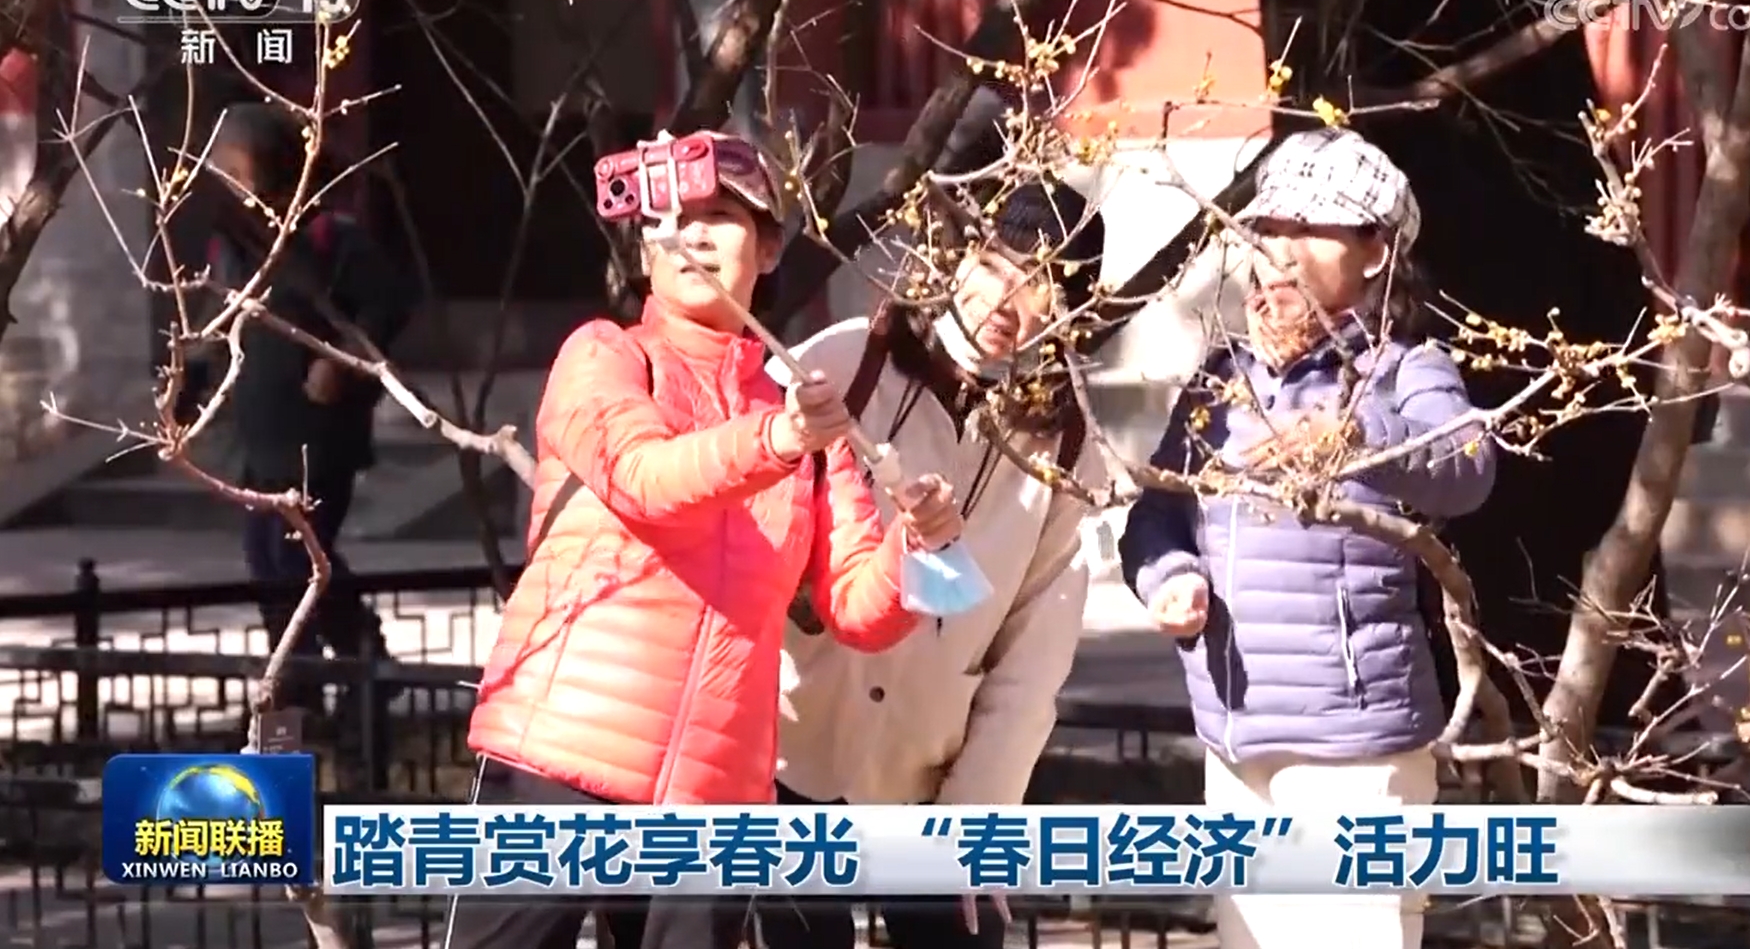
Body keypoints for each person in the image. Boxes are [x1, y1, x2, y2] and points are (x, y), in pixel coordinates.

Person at [447, 129, 965, 949]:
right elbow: (644, 479)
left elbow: (857, 611)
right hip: (562, 747)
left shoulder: (805, 420)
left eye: (721, 216)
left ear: (768, 248)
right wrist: (777, 440)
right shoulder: (606, 355)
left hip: (716, 791)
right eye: (675, 218)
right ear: (645, 247)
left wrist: (922, 547)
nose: (693, 234)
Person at [1117, 128, 1496, 949]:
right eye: (1269, 228)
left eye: (1308, 229)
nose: (1279, 252)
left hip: (1357, 754)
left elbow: (1467, 468)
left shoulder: (1404, 370)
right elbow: (1157, 510)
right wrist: (1170, 573)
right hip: (1234, 735)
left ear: (1376, 250)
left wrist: (1359, 436)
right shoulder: (1222, 381)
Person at [761, 179, 1108, 949]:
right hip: (793, 744)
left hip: (928, 774)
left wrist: (979, 816)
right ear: (954, 257)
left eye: (1042, 282)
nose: (1006, 300)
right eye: (992, 262)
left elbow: (1035, 651)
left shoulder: (1064, 443)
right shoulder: (847, 361)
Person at [187, 102, 418, 781]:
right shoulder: (233, 243)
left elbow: (391, 303)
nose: (226, 178)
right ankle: (325, 679)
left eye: (237, 166)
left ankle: (313, 688)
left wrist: (339, 362)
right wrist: (189, 381)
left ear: (273, 168)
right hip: (261, 431)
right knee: (269, 561)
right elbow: (213, 322)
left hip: (320, 435)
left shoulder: (329, 237)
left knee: (295, 558)